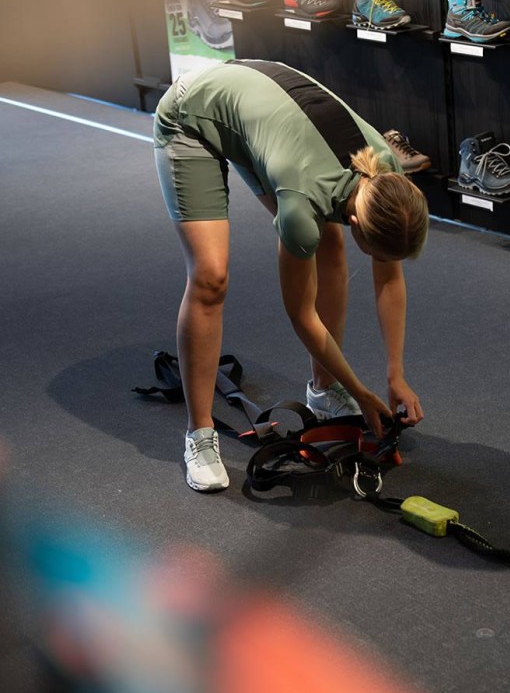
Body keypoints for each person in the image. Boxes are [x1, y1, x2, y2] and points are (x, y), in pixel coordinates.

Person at [153, 59, 429, 492]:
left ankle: (322, 388)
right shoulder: (303, 203)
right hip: (193, 114)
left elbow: (389, 279)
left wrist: (395, 374)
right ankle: (199, 433)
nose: (380, 262)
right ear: (359, 222)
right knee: (210, 277)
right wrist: (361, 391)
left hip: (261, 118)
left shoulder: (388, 180)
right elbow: (301, 315)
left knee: (329, 244)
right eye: (374, 251)